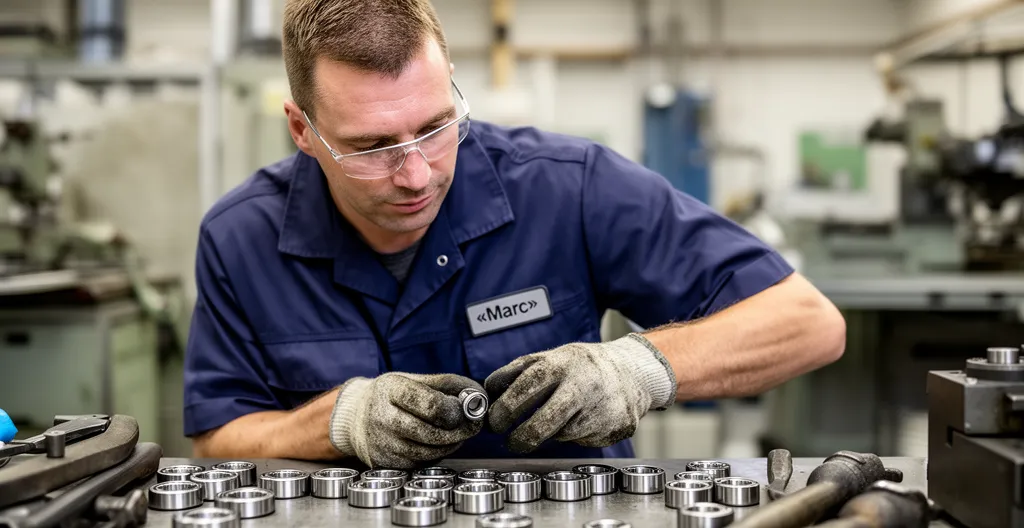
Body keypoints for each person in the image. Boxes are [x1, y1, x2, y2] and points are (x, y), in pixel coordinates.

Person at [184, 0, 846, 467]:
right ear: (303, 131)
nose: (415, 173)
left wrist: (638, 369)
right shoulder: (240, 236)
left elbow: (810, 323)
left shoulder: (569, 187)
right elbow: (219, 439)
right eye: (372, 147)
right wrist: (339, 422)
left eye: (436, 127)